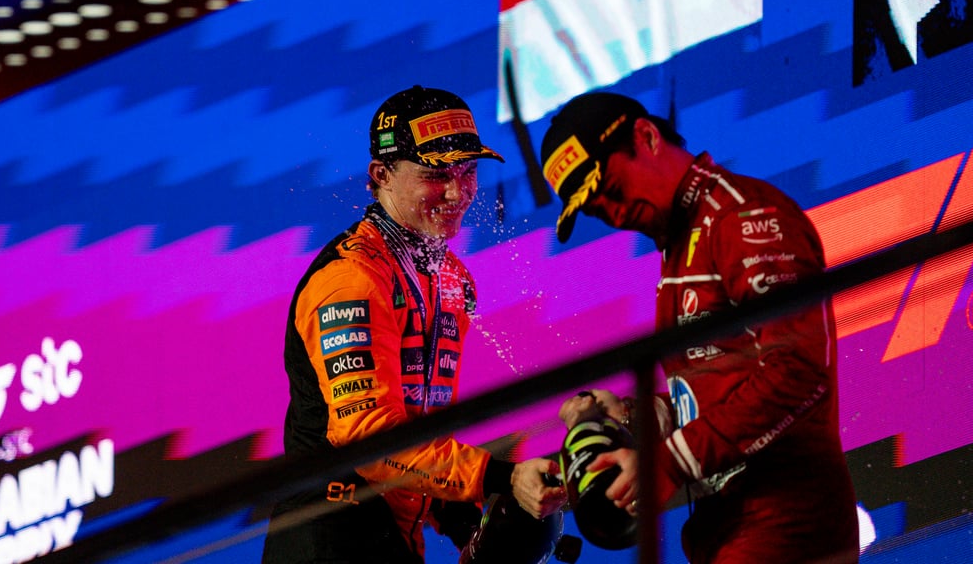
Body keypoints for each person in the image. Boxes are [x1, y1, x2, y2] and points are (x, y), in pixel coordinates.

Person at [540, 91, 859, 563]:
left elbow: (798, 370)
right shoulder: (682, 239)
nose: (614, 212)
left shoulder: (742, 216)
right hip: (734, 529)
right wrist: (633, 415)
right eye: (594, 209)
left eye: (611, 187)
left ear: (647, 137)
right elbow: (720, 386)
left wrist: (667, 462)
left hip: (786, 526)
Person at [262, 85, 566, 564]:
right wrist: (501, 478)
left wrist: (470, 526)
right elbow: (371, 442)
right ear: (381, 175)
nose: (458, 192)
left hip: (395, 541)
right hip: (328, 540)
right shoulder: (352, 280)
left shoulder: (453, 281)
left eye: (468, 171)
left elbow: (417, 435)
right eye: (435, 174)